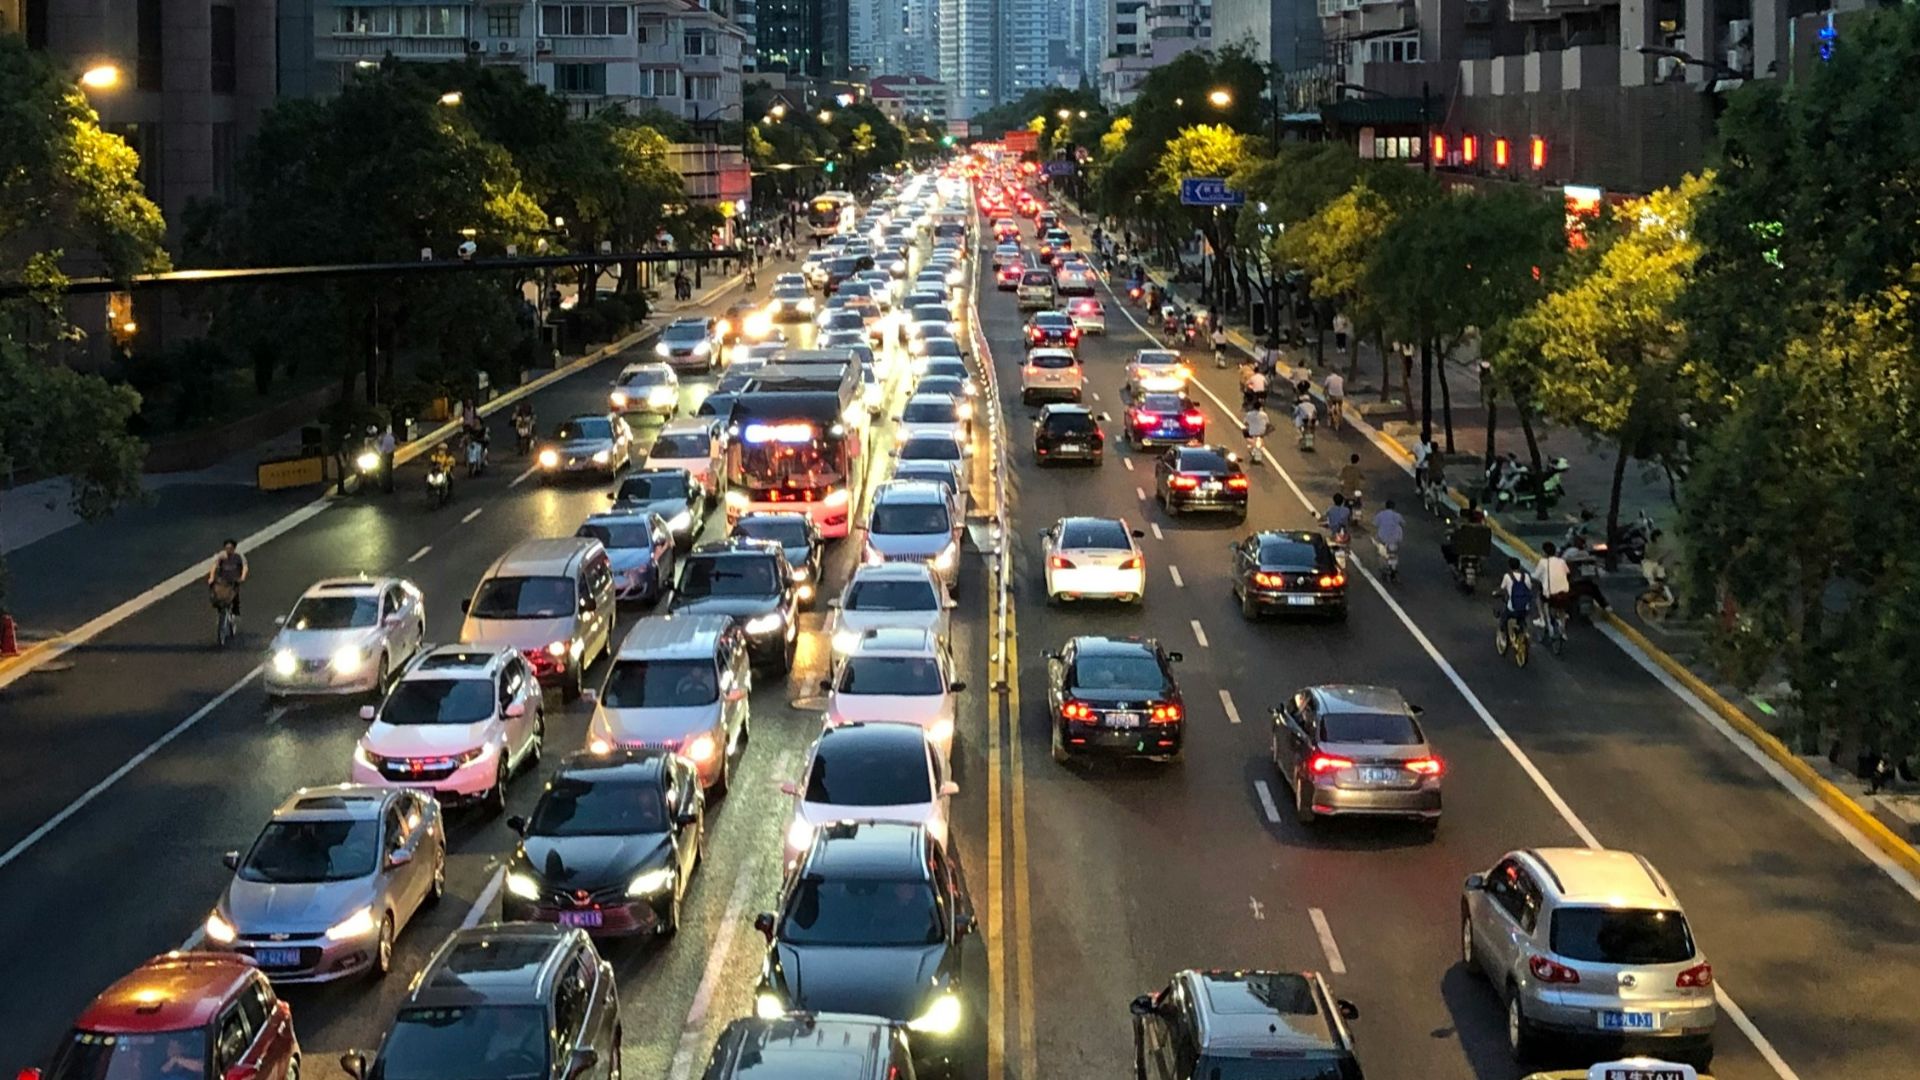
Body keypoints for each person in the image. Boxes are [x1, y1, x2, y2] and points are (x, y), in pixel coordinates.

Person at [1563, 534, 1611, 617]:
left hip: (1575, 582)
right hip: (1584, 582)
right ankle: (1605, 606)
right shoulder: (1584, 554)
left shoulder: (1570, 553)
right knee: (1595, 591)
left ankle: (1565, 611)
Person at [1533, 541, 1574, 630]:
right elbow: (1567, 573)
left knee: (1539, 597)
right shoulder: (1561, 561)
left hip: (1551, 593)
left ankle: (1542, 619)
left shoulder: (1543, 562)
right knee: (1562, 609)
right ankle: (1562, 630)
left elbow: (1536, 576)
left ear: (1544, 552)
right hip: (1564, 592)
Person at [1495, 556, 1534, 641]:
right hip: (1525, 607)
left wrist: (1495, 593)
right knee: (1522, 618)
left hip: (1512, 607)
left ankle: (1502, 635)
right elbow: (1530, 587)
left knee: (1503, 617)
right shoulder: (1526, 576)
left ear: (1509, 566)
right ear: (1519, 566)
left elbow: (1502, 588)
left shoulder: (1507, 576)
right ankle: (1524, 631)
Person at [207, 539, 248, 620]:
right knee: (219, 595)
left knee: (234, 594)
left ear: (234, 548)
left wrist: (243, 577)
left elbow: (245, 567)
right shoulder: (221, 556)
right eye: (227, 548)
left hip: (234, 580)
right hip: (223, 580)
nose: (228, 550)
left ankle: (235, 612)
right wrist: (211, 577)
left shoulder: (239, 556)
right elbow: (214, 566)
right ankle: (220, 611)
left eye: (230, 548)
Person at [1442, 503, 1491, 568]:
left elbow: (1452, 531)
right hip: (1476, 550)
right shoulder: (1483, 528)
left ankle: (1452, 566)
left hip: (1464, 550)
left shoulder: (1462, 525)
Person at [1373, 499, 1405, 564]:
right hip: (1395, 539)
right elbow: (1403, 523)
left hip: (1382, 538)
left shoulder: (1380, 514)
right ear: (1394, 507)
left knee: (1377, 543)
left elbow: (1374, 523)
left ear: (1386, 506)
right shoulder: (1397, 515)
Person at [377, 424, 397, 493]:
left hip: (384, 455)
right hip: (390, 455)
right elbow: (394, 446)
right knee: (389, 472)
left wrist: (379, 452)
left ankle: (384, 488)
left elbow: (379, 447)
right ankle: (390, 487)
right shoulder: (391, 437)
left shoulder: (381, 437)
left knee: (383, 472)